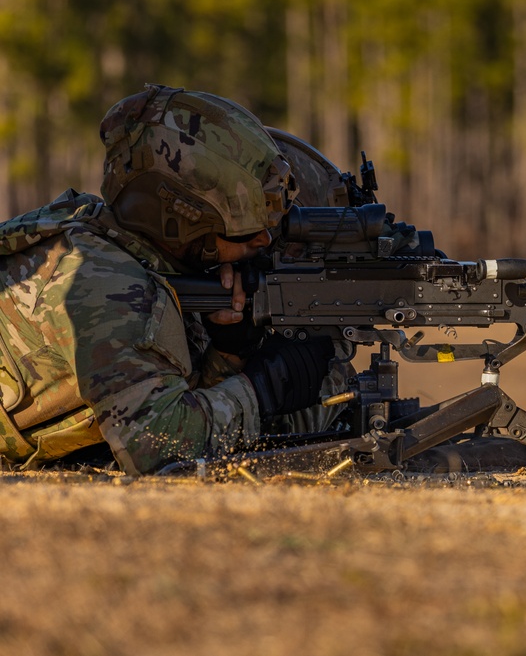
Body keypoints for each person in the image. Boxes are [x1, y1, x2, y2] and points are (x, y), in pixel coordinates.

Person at [0, 84, 333, 475]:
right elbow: (159, 446)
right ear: (182, 222)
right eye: (243, 233)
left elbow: (167, 395)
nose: (262, 241)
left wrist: (229, 354)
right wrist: (265, 388)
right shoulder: (105, 284)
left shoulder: (128, 247)